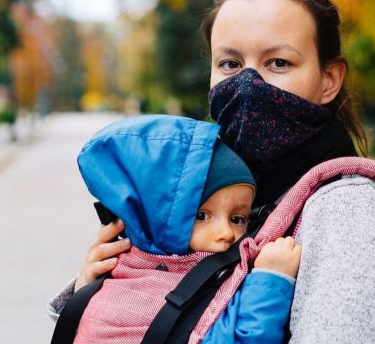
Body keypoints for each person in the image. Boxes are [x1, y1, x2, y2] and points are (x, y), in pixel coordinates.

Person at [49, 0, 375, 343]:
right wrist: (100, 292)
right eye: (230, 64)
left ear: (329, 80)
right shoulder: (212, 183)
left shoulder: (351, 211)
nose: (247, 84)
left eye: (278, 62)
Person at [69, 115, 301, 343]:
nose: (227, 233)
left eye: (237, 219)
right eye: (201, 216)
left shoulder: (202, 271)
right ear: (156, 218)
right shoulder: (128, 298)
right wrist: (271, 281)